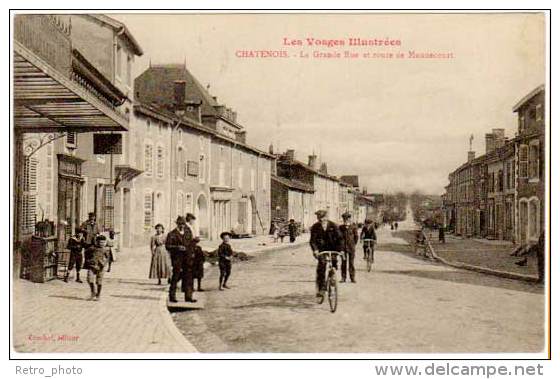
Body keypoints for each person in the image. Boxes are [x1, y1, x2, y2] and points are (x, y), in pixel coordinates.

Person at [309, 210, 343, 300]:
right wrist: (315, 250)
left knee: (334, 262)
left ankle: (332, 277)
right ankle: (321, 289)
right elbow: (312, 241)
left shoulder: (333, 226)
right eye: (319, 219)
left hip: (333, 248)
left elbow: (340, 239)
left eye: (323, 218)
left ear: (326, 217)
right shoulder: (315, 227)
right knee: (322, 265)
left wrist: (341, 250)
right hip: (321, 250)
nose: (321, 220)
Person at [165, 216, 196, 303]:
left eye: (183, 224)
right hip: (177, 258)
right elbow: (167, 246)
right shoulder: (171, 234)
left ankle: (188, 296)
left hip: (187, 258)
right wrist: (177, 247)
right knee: (176, 277)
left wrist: (192, 252)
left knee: (188, 277)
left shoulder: (188, 232)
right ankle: (172, 296)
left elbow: (191, 244)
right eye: (180, 224)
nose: (182, 226)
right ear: (177, 224)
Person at [84, 234, 110, 301]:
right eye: (100, 242)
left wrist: (104, 264)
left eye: (103, 242)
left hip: (101, 267)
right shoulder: (92, 248)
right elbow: (86, 254)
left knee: (99, 282)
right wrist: (88, 261)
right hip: (92, 266)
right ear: (96, 241)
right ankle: (93, 292)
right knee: (89, 279)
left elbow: (108, 258)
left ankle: (98, 295)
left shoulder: (106, 249)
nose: (101, 244)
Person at [339, 212, 359, 283]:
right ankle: (343, 277)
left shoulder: (353, 227)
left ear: (350, 219)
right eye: (344, 220)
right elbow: (339, 238)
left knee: (351, 263)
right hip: (343, 248)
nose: (346, 221)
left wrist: (353, 244)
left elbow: (356, 237)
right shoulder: (340, 227)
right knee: (343, 263)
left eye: (347, 219)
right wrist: (340, 248)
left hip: (351, 248)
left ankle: (352, 277)